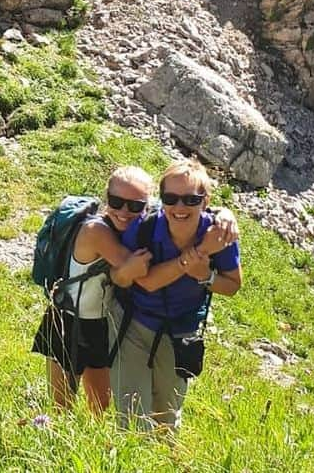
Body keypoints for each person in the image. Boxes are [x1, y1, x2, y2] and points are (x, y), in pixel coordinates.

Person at [33, 165, 240, 414]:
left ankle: (92, 446)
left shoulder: (139, 223)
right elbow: (139, 274)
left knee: (100, 406)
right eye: (116, 202)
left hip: (104, 322)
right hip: (69, 319)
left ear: (147, 204)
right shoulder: (96, 231)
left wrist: (224, 213)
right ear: (106, 198)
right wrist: (201, 249)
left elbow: (182, 201)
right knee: (61, 407)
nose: (124, 212)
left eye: (134, 206)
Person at [110, 157, 242, 429]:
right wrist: (198, 254)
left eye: (190, 200)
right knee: (133, 418)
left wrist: (205, 276)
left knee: (167, 417)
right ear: (161, 199)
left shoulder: (220, 233)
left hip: (180, 331)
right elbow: (147, 282)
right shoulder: (144, 227)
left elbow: (233, 285)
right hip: (133, 325)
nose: (179, 207)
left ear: (205, 201)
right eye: (170, 198)